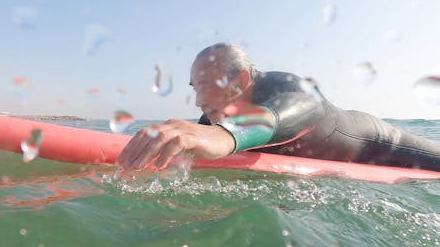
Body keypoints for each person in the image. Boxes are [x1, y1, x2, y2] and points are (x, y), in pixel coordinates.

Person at [117, 43, 440, 172]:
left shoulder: (285, 87)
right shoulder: (213, 118)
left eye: (206, 88)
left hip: (374, 142)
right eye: (194, 89)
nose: (199, 101)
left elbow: (296, 109)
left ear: (241, 79)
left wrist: (223, 137)